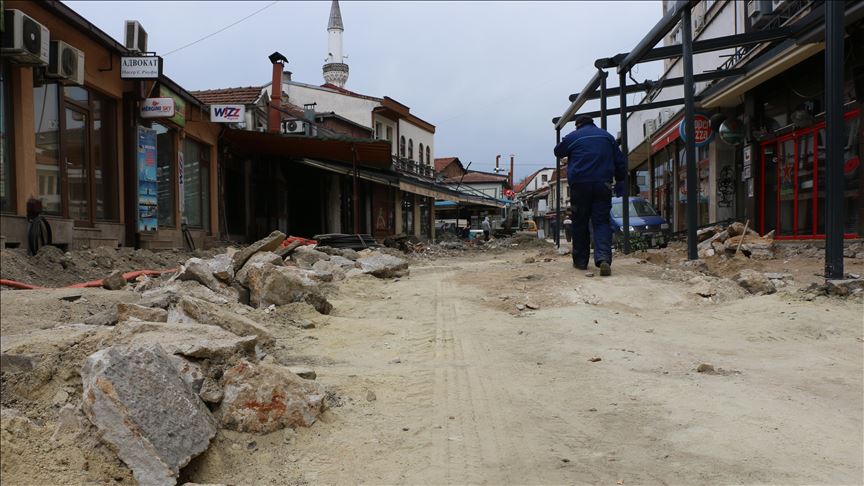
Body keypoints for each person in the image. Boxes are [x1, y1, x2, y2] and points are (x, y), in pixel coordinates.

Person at [553, 114, 626, 276]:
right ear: (593, 123)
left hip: (580, 186)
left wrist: (569, 143)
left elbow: (558, 151)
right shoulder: (607, 137)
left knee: (580, 222)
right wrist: (620, 181)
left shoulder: (574, 136)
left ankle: (580, 261)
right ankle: (603, 259)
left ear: (578, 125)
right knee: (601, 222)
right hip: (603, 185)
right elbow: (620, 161)